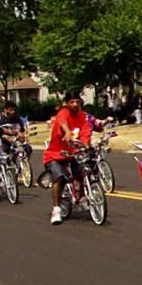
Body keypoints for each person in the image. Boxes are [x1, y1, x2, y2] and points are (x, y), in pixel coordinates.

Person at [42, 90, 94, 225]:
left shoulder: (83, 117)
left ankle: (82, 198)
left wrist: (87, 146)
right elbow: (62, 121)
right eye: (72, 102)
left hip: (73, 154)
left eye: (77, 101)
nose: (75, 104)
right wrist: (68, 131)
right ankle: (56, 209)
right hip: (55, 154)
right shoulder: (63, 113)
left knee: (83, 171)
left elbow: (86, 133)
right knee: (59, 177)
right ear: (67, 104)